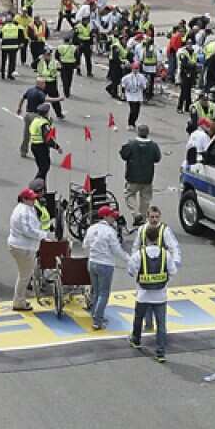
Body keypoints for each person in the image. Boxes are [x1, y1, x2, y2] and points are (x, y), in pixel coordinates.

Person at [127, 217, 181, 362]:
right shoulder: (166, 254)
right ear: (158, 237)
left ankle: (136, 340)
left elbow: (131, 271)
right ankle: (160, 353)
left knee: (138, 319)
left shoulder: (139, 255)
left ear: (146, 237)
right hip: (160, 295)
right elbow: (173, 271)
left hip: (143, 294)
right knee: (161, 325)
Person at [84, 206, 128, 330]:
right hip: (106, 264)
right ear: (105, 217)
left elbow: (85, 245)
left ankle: (95, 314)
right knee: (104, 293)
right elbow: (117, 250)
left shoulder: (91, 229)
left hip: (92, 263)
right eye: (111, 216)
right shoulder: (110, 232)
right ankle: (97, 320)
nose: (113, 218)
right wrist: (128, 259)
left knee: (96, 291)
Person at [8, 187, 50, 311]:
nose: (34, 201)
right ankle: (19, 302)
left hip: (21, 245)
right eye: (31, 199)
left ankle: (19, 299)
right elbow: (28, 230)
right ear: (24, 199)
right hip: (23, 247)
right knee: (24, 276)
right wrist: (43, 235)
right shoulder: (23, 212)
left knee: (23, 275)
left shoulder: (25, 209)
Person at [120, 125, 162, 227]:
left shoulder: (131, 144)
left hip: (133, 176)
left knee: (129, 194)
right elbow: (157, 158)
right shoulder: (153, 145)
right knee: (145, 198)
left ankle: (136, 214)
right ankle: (142, 218)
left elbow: (124, 155)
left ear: (138, 132)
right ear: (148, 133)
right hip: (147, 177)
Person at [27, 103, 62, 181]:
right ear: (46, 113)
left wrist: (49, 122)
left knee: (41, 168)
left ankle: (42, 188)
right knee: (44, 168)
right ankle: (36, 185)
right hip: (41, 147)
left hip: (34, 145)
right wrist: (57, 147)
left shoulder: (36, 120)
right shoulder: (43, 123)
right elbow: (47, 138)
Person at [120, 63, 148, 129]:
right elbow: (123, 85)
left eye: (137, 69)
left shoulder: (141, 77)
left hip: (138, 95)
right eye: (134, 69)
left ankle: (133, 123)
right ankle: (129, 123)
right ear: (132, 69)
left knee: (137, 111)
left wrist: (143, 87)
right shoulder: (127, 77)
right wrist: (123, 94)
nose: (135, 70)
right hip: (130, 95)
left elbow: (145, 86)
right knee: (133, 110)